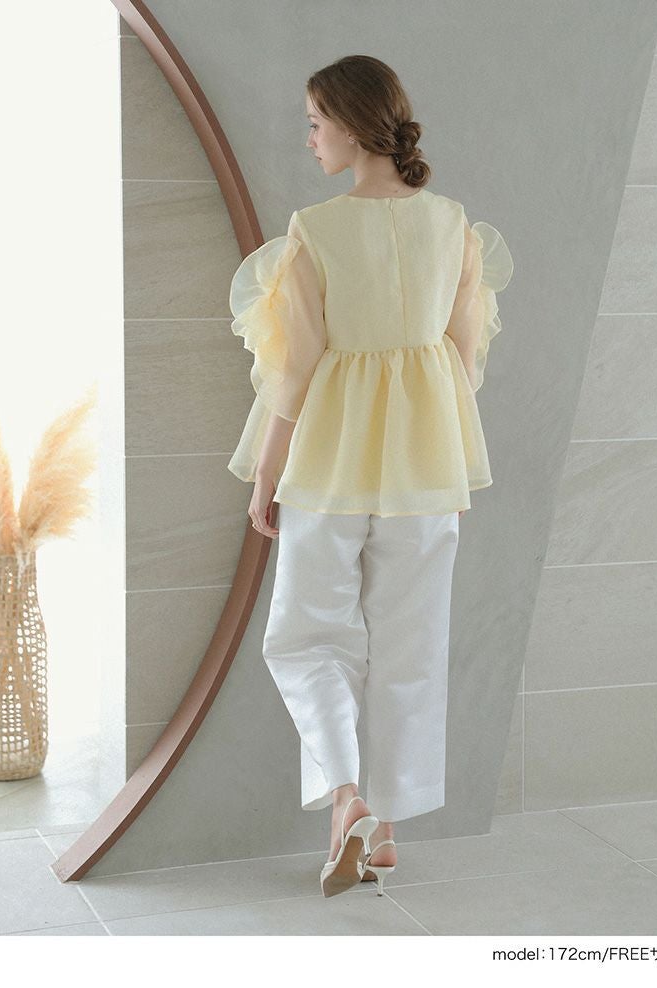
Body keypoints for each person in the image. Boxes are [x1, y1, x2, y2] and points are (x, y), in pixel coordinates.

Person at [227, 55, 514, 898]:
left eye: (316, 122)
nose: (310, 138)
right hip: (426, 466)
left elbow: (294, 372)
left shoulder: (315, 231)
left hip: (329, 462)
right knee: (409, 644)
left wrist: (266, 475)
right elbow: (464, 362)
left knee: (306, 636)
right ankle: (380, 832)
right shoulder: (455, 226)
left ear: (352, 127)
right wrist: (444, 457)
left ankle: (348, 795)